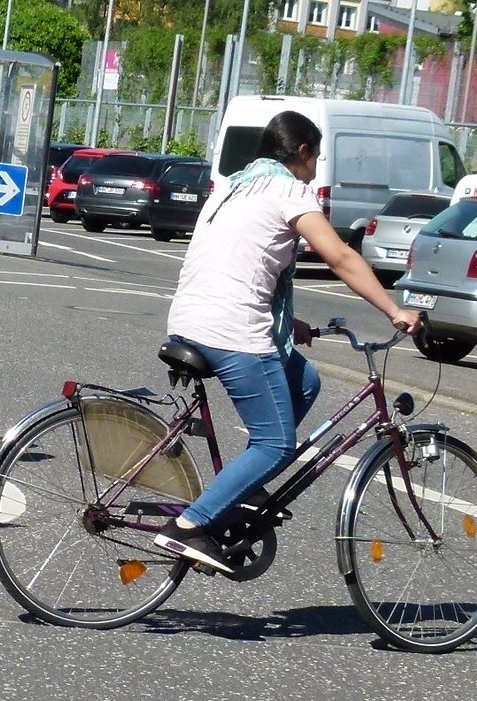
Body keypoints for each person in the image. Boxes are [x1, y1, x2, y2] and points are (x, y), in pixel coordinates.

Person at [156, 110, 421, 573]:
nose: (316, 169)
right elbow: (339, 256)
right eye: (316, 157)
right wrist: (394, 309)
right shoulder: (287, 189)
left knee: (305, 380)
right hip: (231, 328)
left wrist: (287, 321)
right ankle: (189, 527)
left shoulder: (235, 184)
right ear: (301, 152)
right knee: (276, 444)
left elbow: (243, 259)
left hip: (191, 316)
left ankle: (244, 486)